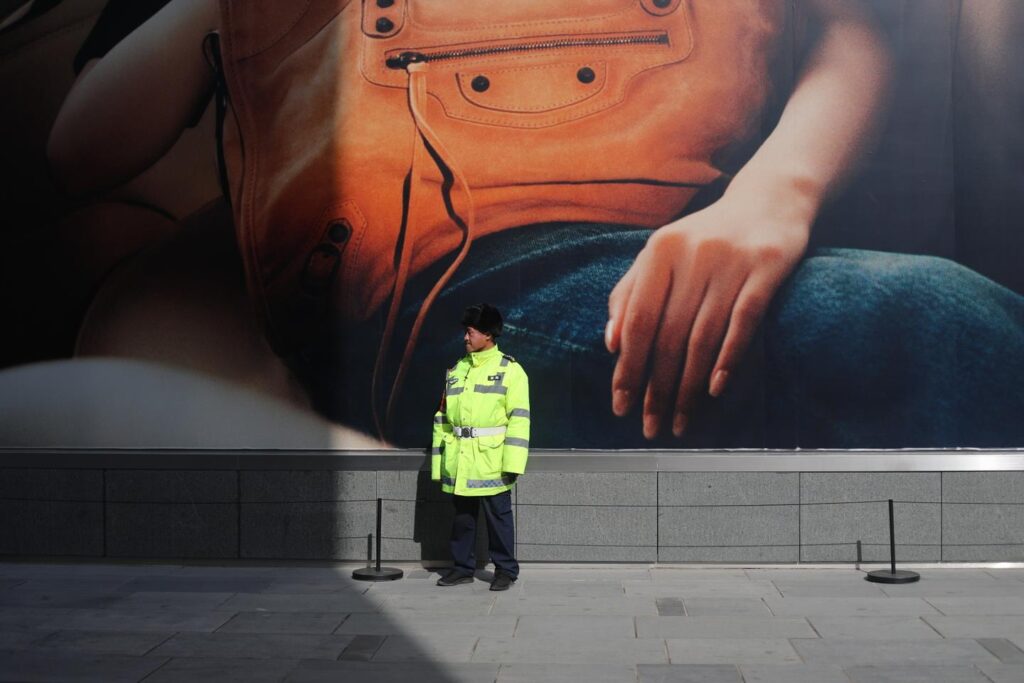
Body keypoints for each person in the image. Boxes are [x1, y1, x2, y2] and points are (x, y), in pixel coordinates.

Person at [18, 0, 1023, 451]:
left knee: (930, 320)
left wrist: (772, 197)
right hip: (447, 292)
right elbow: (80, 148)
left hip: (686, 242)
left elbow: (851, 33)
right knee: (930, 325)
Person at [431, 304, 528, 591]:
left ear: (488, 334)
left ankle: (506, 571)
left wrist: (513, 464)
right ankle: (462, 568)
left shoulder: (510, 370)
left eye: (470, 332)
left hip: (491, 461)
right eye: (466, 331)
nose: (465, 337)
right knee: (462, 519)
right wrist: (439, 464)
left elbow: (519, 420)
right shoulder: (457, 369)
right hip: (460, 460)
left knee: (499, 519)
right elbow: (442, 418)